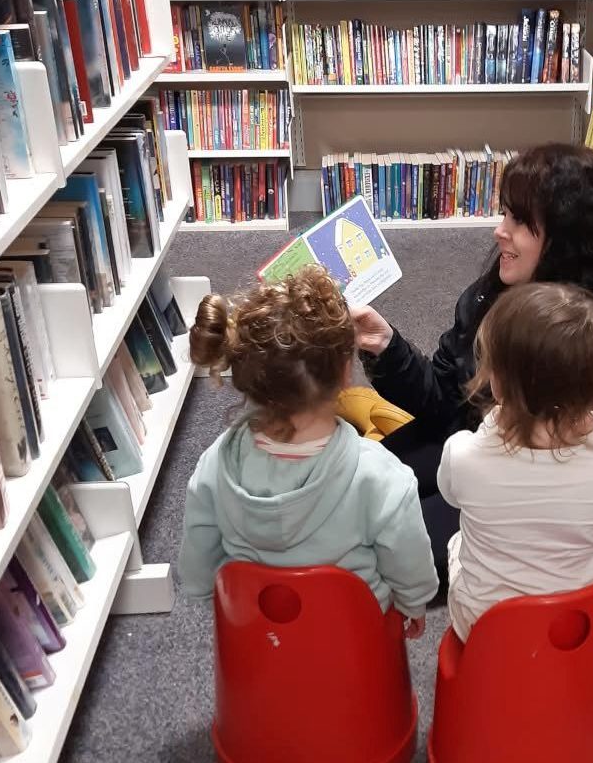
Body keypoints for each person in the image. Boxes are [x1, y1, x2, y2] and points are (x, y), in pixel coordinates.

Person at [353, 143, 593, 619]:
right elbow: (444, 395)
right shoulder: (507, 284)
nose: (498, 230)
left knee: (386, 547)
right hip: (475, 441)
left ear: (570, 233)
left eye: (519, 220)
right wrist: (386, 347)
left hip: (538, 494)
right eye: (504, 212)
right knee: (355, 488)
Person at [177, 267, 439, 639]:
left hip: (260, 650)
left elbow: (198, 568)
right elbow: (408, 560)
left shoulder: (215, 464)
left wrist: (211, 594)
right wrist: (414, 603)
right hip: (353, 652)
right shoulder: (380, 475)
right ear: (346, 373)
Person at [439, 282, 593, 644]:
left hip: (484, 627)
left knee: (458, 541)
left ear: (498, 383)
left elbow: (450, 494)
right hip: (571, 626)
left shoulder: (463, 454)